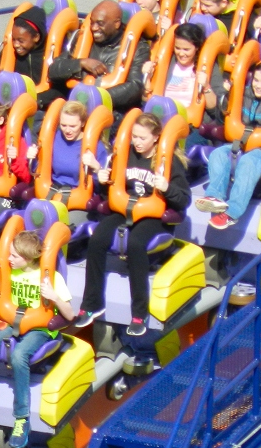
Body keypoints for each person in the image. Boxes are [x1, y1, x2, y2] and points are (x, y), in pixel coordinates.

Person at [74, 112, 190, 336]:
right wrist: (103, 179)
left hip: (155, 216)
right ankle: (92, 304)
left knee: (136, 244)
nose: (137, 142)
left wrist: (167, 188)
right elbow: (109, 192)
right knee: (97, 239)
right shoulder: (125, 156)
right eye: (134, 137)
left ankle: (139, 313)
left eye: (142, 138)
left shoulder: (168, 161)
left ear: (156, 138)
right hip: (125, 209)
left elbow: (183, 200)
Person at [0, 231, 75, 448]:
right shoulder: (9, 273)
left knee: (19, 357)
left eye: (14, 256)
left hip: (39, 328)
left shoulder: (51, 277)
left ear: (28, 258)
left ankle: (22, 419)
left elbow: (70, 314)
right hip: (14, 325)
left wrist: (54, 296)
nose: (9, 259)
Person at [194, 61, 261, 229]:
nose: (258, 86)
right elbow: (223, 119)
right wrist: (228, 98)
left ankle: (233, 212)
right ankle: (214, 196)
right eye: (256, 80)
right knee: (218, 154)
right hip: (240, 143)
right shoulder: (243, 94)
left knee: (248, 162)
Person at [48, 0, 151, 126]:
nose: (94, 28)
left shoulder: (137, 47)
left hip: (111, 113)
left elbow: (135, 87)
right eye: (92, 22)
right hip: (73, 108)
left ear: (117, 23)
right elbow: (53, 70)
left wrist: (96, 98)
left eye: (100, 23)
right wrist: (81, 63)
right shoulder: (83, 39)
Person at [141, 22, 224, 148]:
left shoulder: (209, 67)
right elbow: (145, 101)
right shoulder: (167, 63)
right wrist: (147, 77)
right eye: (177, 48)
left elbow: (215, 111)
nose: (181, 53)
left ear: (196, 48)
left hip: (190, 125)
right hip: (161, 118)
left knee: (179, 148)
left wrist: (206, 87)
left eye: (186, 49)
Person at [27, 100, 107, 211]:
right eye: (63, 125)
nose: (67, 130)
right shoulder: (53, 138)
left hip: (77, 201)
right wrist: (33, 158)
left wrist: (96, 168)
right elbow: (38, 171)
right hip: (52, 193)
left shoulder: (95, 146)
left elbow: (101, 187)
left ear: (83, 123)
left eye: (73, 126)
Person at [0, 5, 63, 111]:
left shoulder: (52, 53)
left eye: (21, 41)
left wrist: (34, 100)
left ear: (36, 37)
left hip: (41, 108)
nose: (15, 45)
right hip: (11, 104)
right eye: (14, 40)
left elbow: (61, 90)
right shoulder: (10, 52)